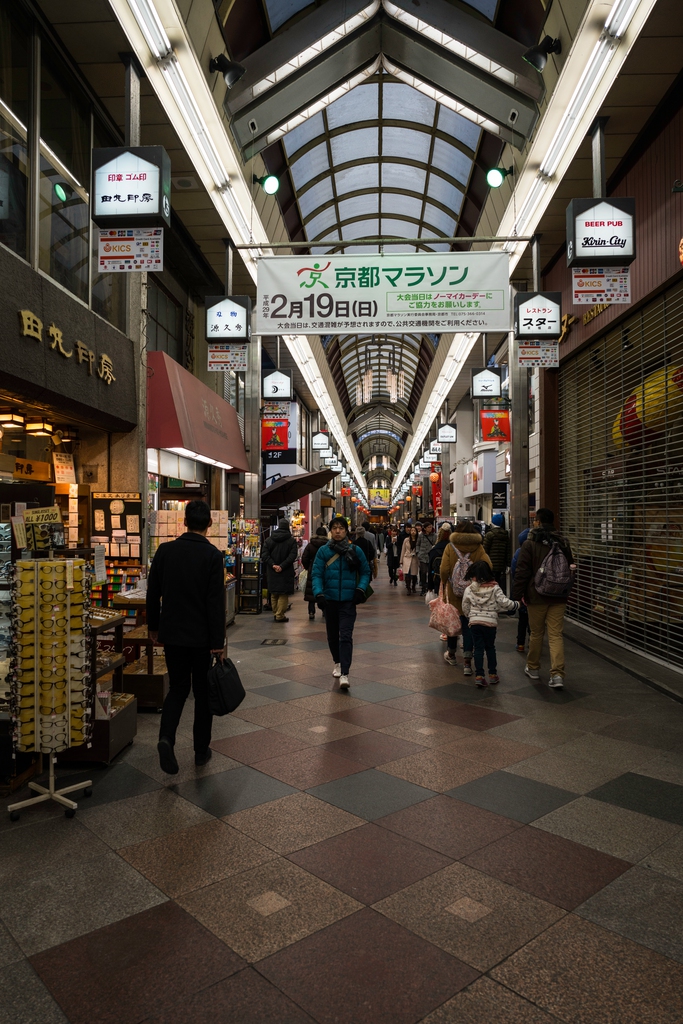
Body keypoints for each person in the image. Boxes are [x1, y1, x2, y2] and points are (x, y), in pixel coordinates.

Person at [147, 500, 225, 775]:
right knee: (202, 693)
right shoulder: (213, 556)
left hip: (174, 635)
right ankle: (201, 751)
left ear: (184, 522)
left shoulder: (165, 551)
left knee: (178, 688)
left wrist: (153, 628)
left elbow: (152, 592)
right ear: (210, 524)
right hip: (202, 638)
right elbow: (216, 603)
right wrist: (219, 643)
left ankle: (166, 738)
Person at [512, 508, 574, 689]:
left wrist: (517, 596)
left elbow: (522, 572)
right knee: (556, 635)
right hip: (558, 596)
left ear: (538, 522)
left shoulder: (530, 544)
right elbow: (570, 568)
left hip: (536, 595)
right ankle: (557, 676)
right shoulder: (563, 542)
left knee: (537, 633)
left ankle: (533, 668)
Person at [312, 515, 370, 690]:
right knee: (332, 636)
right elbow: (316, 574)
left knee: (345, 636)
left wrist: (360, 589)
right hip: (329, 601)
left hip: (348, 601)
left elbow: (365, 571)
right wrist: (319, 594)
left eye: (341, 528)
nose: (338, 531)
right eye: (335, 528)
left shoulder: (355, 550)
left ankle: (345, 672)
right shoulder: (323, 551)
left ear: (346, 531)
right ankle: (337, 662)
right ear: (331, 530)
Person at [440, 521, 492, 672]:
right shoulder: (478, 547)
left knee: (453, 623)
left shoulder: (450, 547)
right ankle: (468, 662)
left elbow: (444, 569)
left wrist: (445, 582)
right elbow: (489, 566)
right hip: (473, 592)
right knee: (468, 623)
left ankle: (451, 653)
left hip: (454, 592)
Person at [462, 561, 519, 687]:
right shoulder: (495, 588)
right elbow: (504, 603)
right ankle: (493, 675)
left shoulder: (469, 589)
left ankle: (479, 676)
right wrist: (517, 604)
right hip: (490, 624)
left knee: (478, 649)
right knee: (490, 648)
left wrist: (470, 616)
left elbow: (465, 606)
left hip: (475, 623)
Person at [262, 519, 298, 622]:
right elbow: (292, 556)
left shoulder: (269, 540)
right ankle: (280, 615)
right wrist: (282, 566)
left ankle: (275, 613)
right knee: (283, 593)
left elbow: (264, 554)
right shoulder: (291, 541)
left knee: (274, 593)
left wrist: (273, 565)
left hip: (272, 571)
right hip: (285, 571)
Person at [302, 526, 329, 619]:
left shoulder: (310, 545)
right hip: (325, 569)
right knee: (324, 589)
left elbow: (304, 558)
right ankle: (325, 611)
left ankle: (311, 612)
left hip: (312, 569)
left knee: (312, 590)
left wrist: (307, 567)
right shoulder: (328, 545)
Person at [511, 527, 531, 652]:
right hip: (535, 590)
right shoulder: (538, 551)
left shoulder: (519, 552)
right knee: (534, 621)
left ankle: (520, 644)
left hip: (523, 590)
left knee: (522, 618)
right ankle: (533, 642)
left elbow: (514, 572)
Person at [484, 513, 511, 592]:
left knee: (490, 584)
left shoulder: (490, 534)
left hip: (490, 565)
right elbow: (508, 551)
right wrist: (508, 564)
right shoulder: (505, 535)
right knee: (499, 584)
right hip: (501, 565)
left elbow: (485, 550)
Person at [427, 525, 452, 595]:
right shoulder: (453, 549)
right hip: (451, 580)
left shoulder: (434, 550)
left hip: (437, 579)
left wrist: (430, 586)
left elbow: (430, 569)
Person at [416, 520, 436, 594]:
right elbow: (418, 544)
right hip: (422, 556)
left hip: (431, 556)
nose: (430, 528)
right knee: (423, 572)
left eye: (431, 527)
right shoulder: (421, 535)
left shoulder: (434, 535)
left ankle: (430, 587)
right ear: (425, 528)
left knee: (431, 572)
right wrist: (418, 552)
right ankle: (423, 587)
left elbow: (435, 544)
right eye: (428, 527)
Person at [400, 525, 420, 594]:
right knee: (407, 574)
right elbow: (403, 550)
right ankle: (408, 588)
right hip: (407, 557)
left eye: (414, 531)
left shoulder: (418, 539)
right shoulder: (406, 540)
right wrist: (401, 560)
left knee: (414, 574)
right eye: (412, 530)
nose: (413, 532)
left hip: (414, 558)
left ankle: (413, 586)